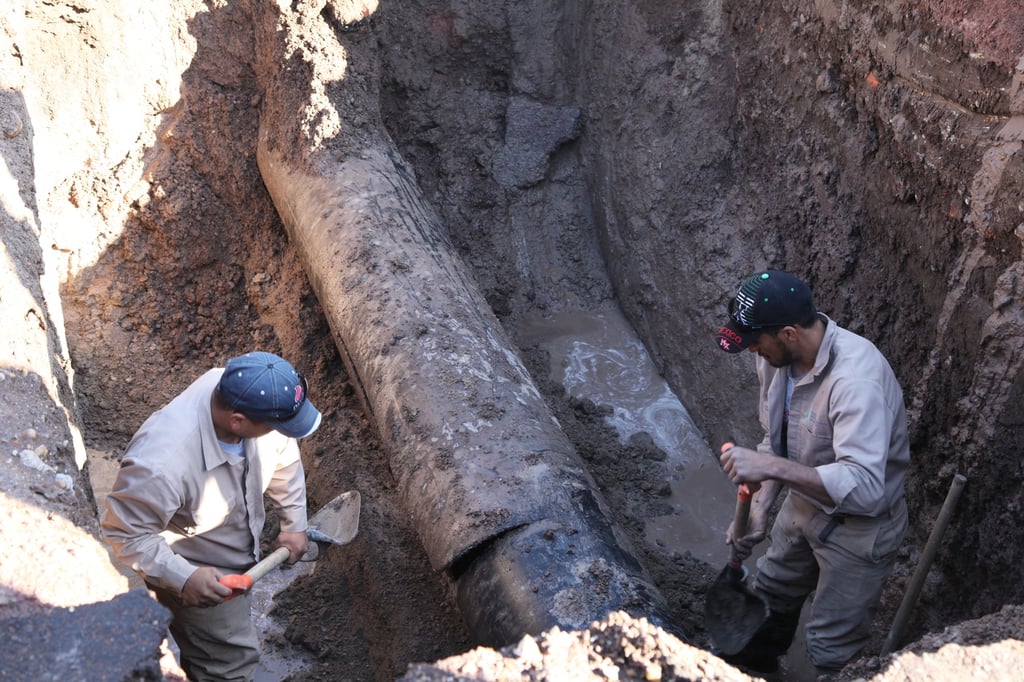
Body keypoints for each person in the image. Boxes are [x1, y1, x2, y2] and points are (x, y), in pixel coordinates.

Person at [712, 270, 910, 678]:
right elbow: (775, 442)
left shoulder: (856, 382)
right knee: (771, 591)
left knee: (831, 646)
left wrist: (771, 468)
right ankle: (757, 669)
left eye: (756, 341)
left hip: (861, 528)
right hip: (804, 501)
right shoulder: (775, 360)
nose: (752, 350)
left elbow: (867, 489)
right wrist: (762, 505)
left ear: (788, 333)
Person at [101, 351, 322, 682]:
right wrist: (184, 578)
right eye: (275, 426)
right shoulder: (160, 466)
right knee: (228, 665)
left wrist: (294, 523)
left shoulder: (249, 392)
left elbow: (283, 451)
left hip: (236, 550)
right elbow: (126, 534)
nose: (281, 432)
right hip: (198, 569)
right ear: (238, 421)